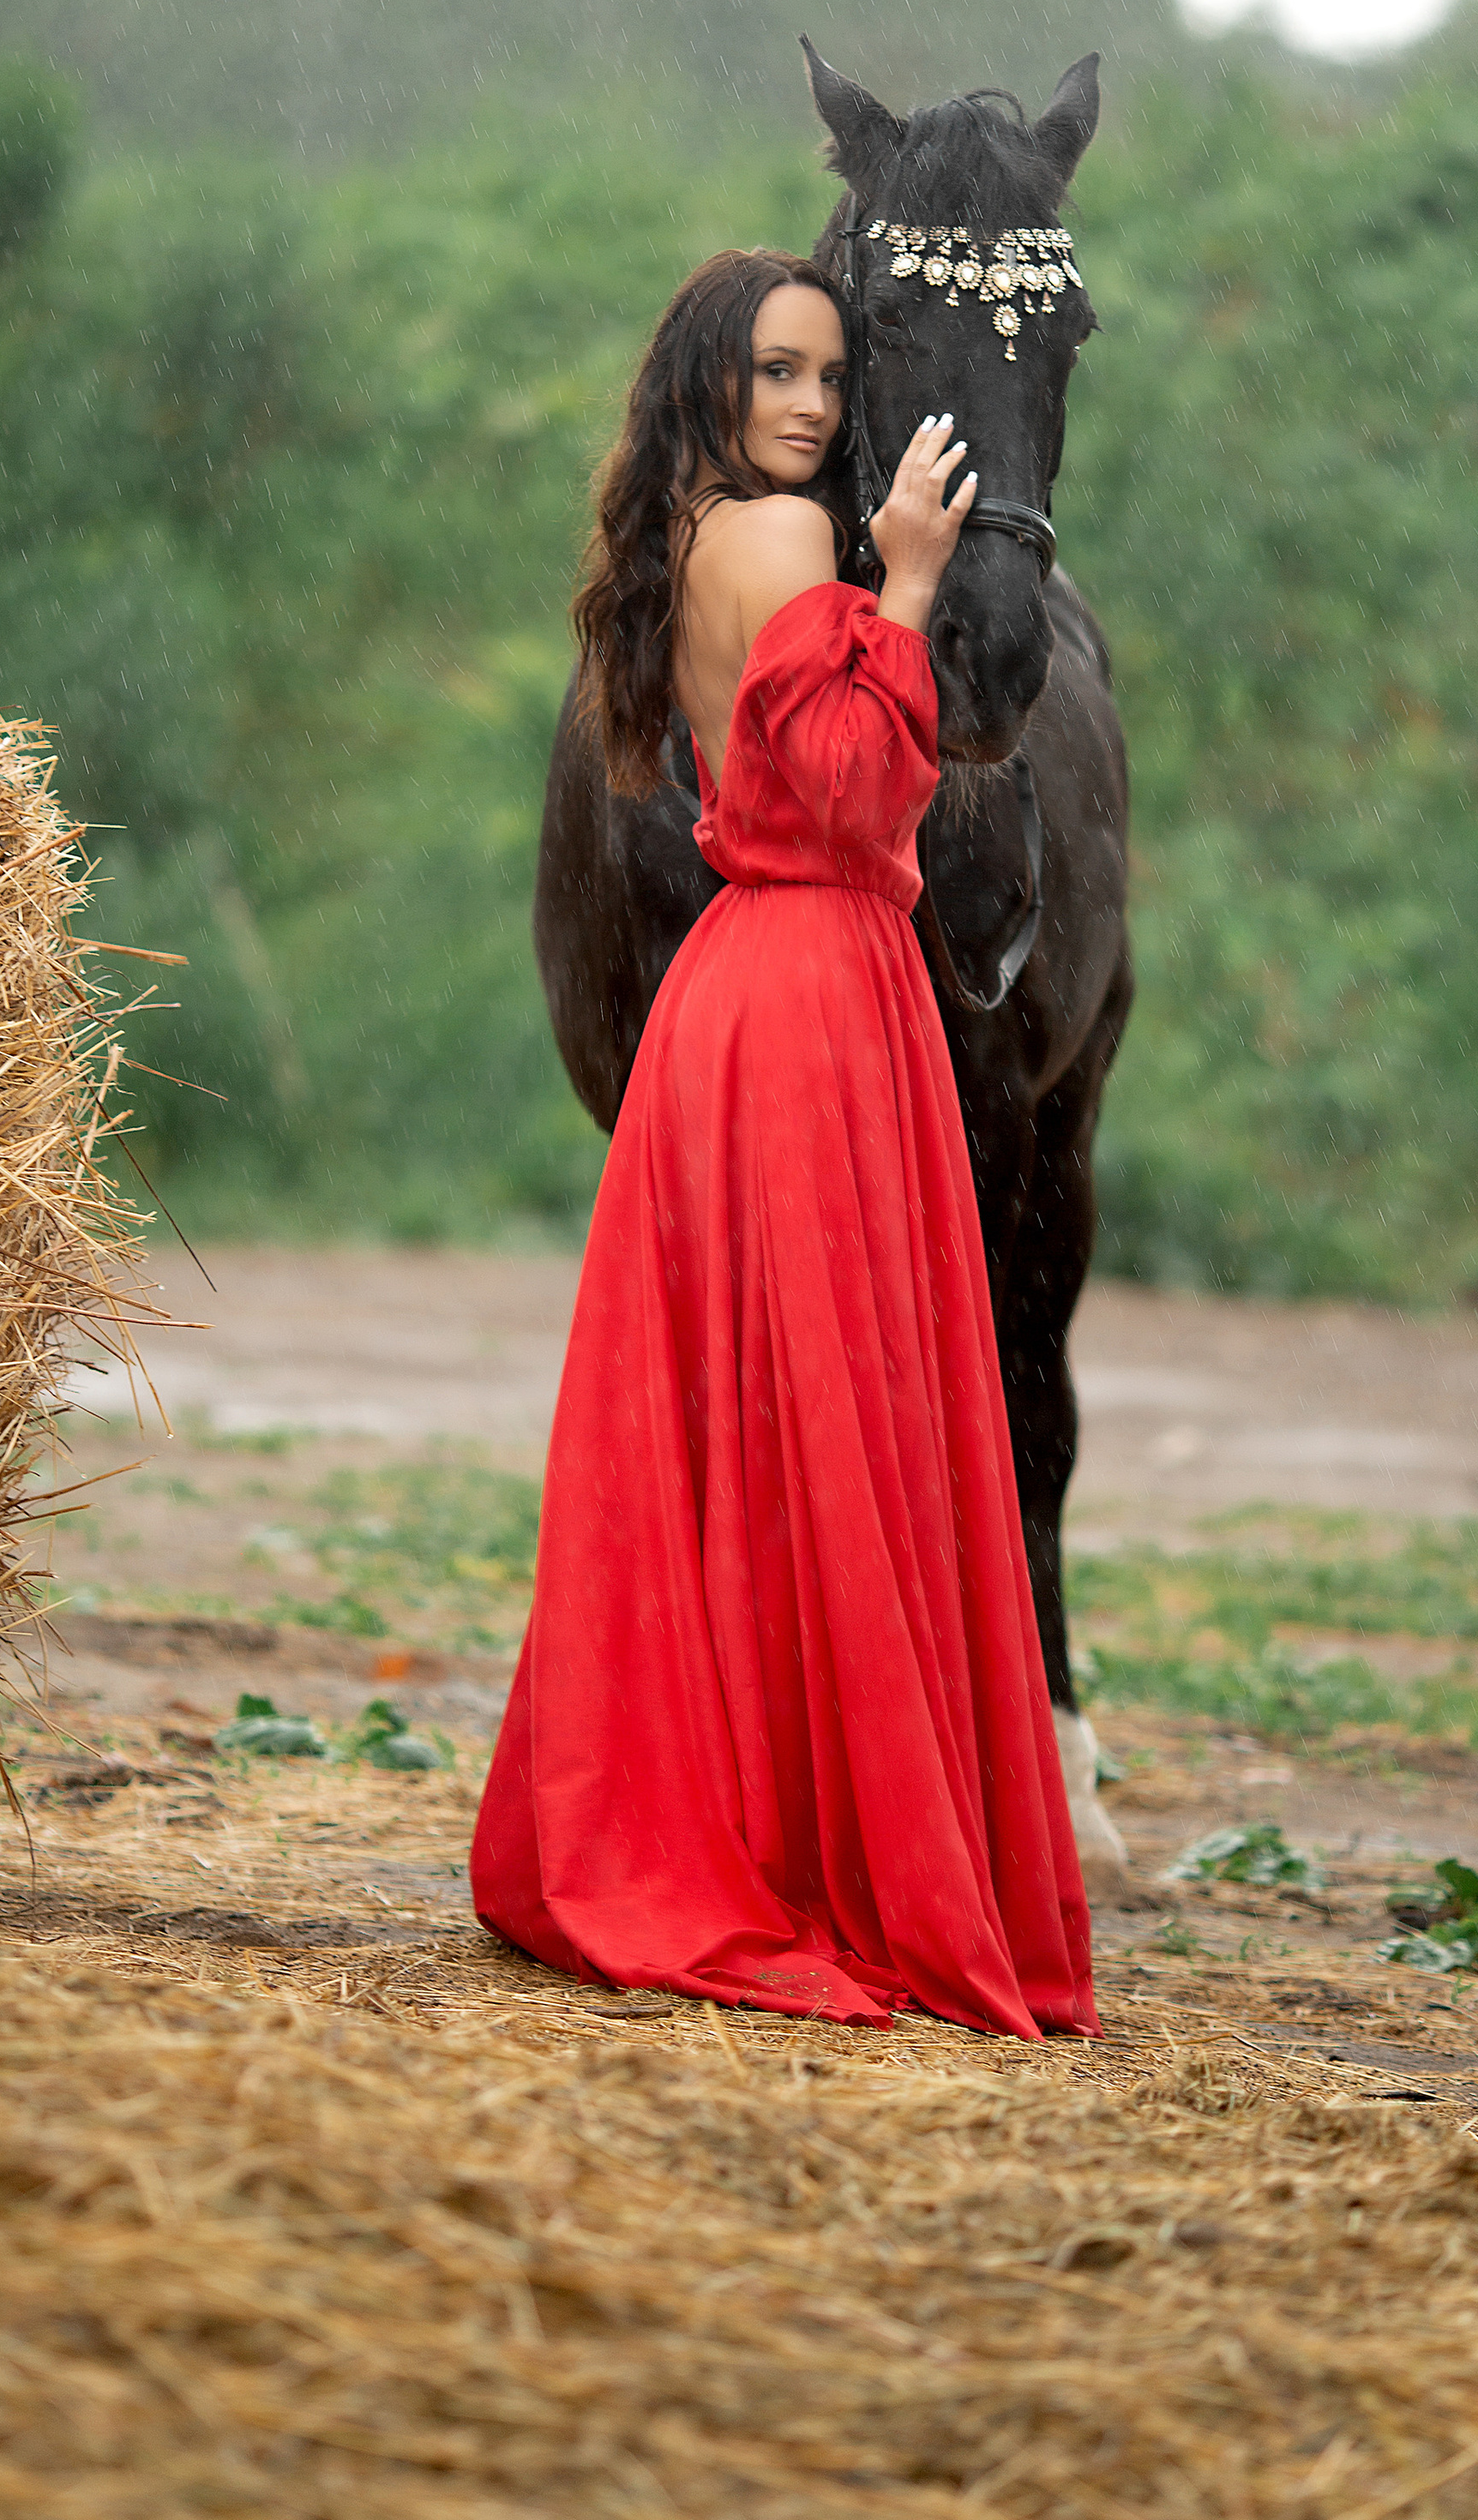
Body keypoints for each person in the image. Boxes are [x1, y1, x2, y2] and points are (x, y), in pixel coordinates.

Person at [470, 249, 1097, 2038]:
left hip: (748, 1000)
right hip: (810, 987)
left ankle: (751, 1808)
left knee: (747, 1434)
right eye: (774, 374)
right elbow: (850, 788)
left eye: (828, 374)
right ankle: (815, 1843)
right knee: (827, 1419)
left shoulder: (692, 535)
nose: (812, 407)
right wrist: (902, 581)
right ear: (708, 383)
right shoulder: (788, 544)